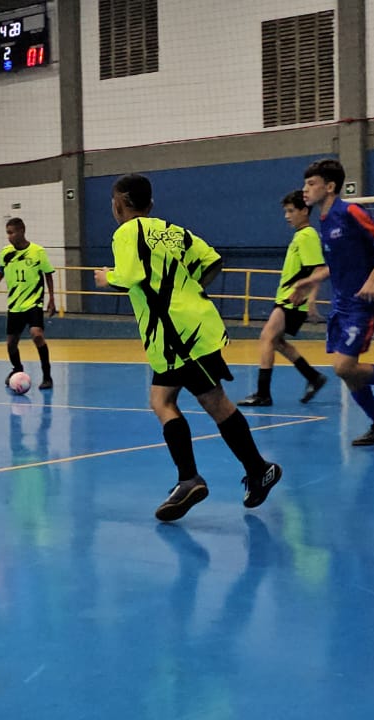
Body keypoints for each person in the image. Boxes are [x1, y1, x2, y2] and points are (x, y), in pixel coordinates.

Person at [93, 173, 282, 520]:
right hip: (193, 325)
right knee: (180, 399)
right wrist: (185, 291)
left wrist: (107, 279)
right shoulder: (175, 231)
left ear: (119, 203)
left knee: (194, 402)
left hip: (176, 334)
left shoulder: (125, 232)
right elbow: (212, 262)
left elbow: (130, 277)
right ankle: (256, 470)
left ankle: (191, 478)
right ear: (150, 204)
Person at [290, 159, 374, 446]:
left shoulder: (349, 211)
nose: (305, 189)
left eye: (311, 184)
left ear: (329, 187)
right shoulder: (324, 222)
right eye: (305, 184)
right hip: (341, 304)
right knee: (350, 374)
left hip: (363, 303)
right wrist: (310, 281)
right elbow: (337, 265)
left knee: (344, 367)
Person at [237, 190, 329, 407]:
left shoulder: (307, 236)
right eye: (285, 211)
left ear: (304, 211)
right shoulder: (300, 235)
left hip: (293, 300)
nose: (287, 216)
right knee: (276, 341)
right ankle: (313, 376)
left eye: (291, 211)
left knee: (267, 338)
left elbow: (318, 268)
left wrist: (311, 299)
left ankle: (263, 393)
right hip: (286, 298)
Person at [0, 217, 57, 390]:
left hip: (34, 302)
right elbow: (0, 273)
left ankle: (47, 376)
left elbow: (48, 274)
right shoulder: (5, 253)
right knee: (11, 343)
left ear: (22, 231)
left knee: (37, 335)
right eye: (7, 233)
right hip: (15, 305)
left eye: (11, 232)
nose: (9, 236)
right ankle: (17, 368)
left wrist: (51, 298)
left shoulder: (38, 251)